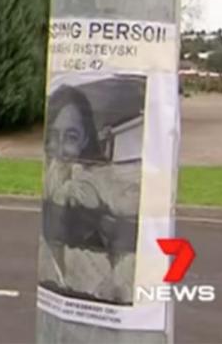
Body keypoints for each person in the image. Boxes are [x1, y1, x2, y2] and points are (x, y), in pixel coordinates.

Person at [39, 84, 140, 305]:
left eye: (71, 137)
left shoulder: (98, 178)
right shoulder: (51, 174)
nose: (60, 148)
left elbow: (124, 196)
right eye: (54, 136)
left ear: (85, 139)